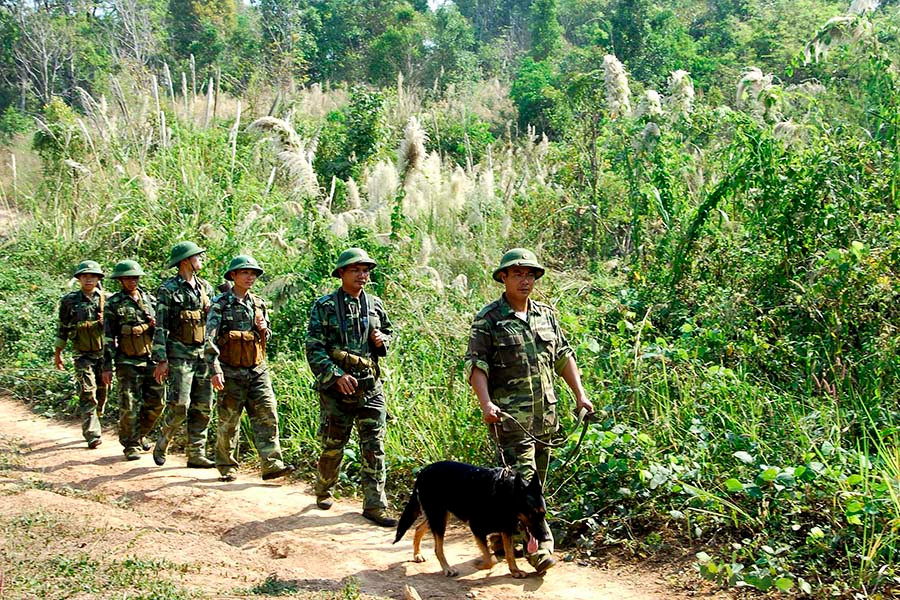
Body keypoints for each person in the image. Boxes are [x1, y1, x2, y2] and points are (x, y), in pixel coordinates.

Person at [464, 248, 594, 575]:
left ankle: (500, 538)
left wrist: (580, 395)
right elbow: (477, 366)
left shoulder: (545, 315)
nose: (525, 280)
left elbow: (563, 356)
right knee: (526, 490)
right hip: (510, 421)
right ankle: (540, 548)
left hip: (545, 420)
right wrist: (486, 403)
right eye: (518, 274)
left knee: (533, 488)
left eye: (530, 274)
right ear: (503, 277)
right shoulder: (489, 319)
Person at [305, 248, 396, 527]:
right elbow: (314, 347)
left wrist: (383, 340)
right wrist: (335, 376)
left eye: (365, 270)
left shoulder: (375, 304)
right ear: (341, 273)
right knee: (334, 445)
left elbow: (389, 333)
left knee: (374, 446)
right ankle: (324, 488)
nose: (362, 275)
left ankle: (374, 505)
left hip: (370, 387)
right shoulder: (325, 306)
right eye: (355, 270)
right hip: (337, 390)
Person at [205, 255, 294, 482]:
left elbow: (266, 338)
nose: (250, 277)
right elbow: (210, 339)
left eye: (253, 273)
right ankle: (227, 465)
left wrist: (263, 329)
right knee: (229, 421)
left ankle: (272, 464)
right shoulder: (220, 304)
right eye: (245, 272)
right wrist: (215, 369)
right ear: (233, 275)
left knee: (267, 414)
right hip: (230, 370)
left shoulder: (258, 304)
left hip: (257, 370)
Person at [151, 241, 216, 468]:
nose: (201, 259)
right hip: (179, 353)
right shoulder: (168, 289)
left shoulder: (206, 288)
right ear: (186, 260)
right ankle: (164, 440)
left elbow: (213, 323)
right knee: (180, 405)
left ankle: (196, 453)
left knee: (203, 405)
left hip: (202, 354)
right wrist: (161, 359)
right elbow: (161, 325)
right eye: (197, 256)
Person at [101, 260, 165, 461]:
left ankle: (140, 434)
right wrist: (107, 366)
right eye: (128, 278)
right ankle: (130, 445)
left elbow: (162, 329)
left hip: (151, 360)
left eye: (135, 277)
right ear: (120, 280)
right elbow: (108, 336)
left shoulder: (149, 300)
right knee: (129, 405)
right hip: (127, 361)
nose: (132, 281)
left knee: (157, 403)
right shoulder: (113, 304)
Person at [54, 260, 109, 449]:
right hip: (82, 354)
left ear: (98, 278)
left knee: (102, 391)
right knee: (87, 391)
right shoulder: (69, 301)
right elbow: (63, 327)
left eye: (93, 276)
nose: (88, 279)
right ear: (79, 278)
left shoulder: (107, 300)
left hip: (103, 354)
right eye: (85, 276)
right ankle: (92, 433)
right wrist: (58, 353)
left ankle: (97, 417)